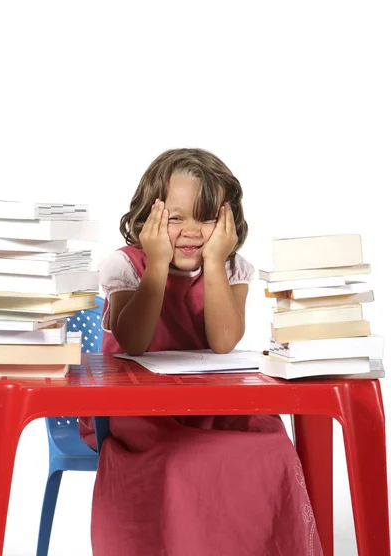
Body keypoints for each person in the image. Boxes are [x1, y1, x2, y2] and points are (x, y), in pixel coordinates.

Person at [80, 148, 323, 556]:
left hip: (213, 403)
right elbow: (135, 340)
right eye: (175, 218)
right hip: (136, 411)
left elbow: (223, 341)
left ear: (227, 221)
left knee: (273, 445)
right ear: (148, 217)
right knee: (186, 460)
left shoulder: (231, 269)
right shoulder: (124, 266)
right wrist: (156, 265)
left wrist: (215, 262)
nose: (191, 230)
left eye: (206, 217)